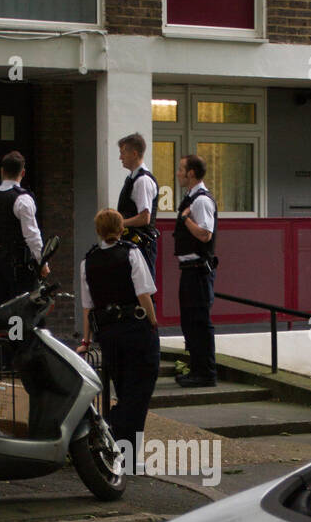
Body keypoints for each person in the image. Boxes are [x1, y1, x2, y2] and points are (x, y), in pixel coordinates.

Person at [77, 208, 159, 472]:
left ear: (98, 231)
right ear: (121, 229)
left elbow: (87, 306)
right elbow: (144, 293)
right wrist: (154, 322)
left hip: (108, 334)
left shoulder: (87, 261)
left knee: (125, 390)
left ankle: (125, 454)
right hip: (135, 328)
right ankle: (113, 432)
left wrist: (86, 340)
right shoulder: (131, 253)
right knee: (140, 391)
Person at [0, 150, 49, 307]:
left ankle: (6, 332)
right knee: (20, 308)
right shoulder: (23, 199)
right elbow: (32, 235)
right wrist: (42, 261)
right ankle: (16, 332)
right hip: (21, 265)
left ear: (2, 171)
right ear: (23, 172)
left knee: (0, 306)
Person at [173, 154, 218, 388]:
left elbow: (205, 234)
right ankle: (197, 369)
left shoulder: (201, 201)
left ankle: (206, 372)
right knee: (190, 322)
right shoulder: (191, 198)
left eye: (181, 169)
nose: (178, 173)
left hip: (199, 270)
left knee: (199, 322)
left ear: (191, 173)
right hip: (189, 269)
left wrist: (186, 220)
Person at [116, 133, 159, 277]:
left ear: (134, 154)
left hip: (141, 245)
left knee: (142, 287)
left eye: (123, 153)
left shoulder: (142, 181)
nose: (120, 157)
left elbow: (144, 218)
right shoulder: (132, 178)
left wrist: (119, 222)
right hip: (133, 244)